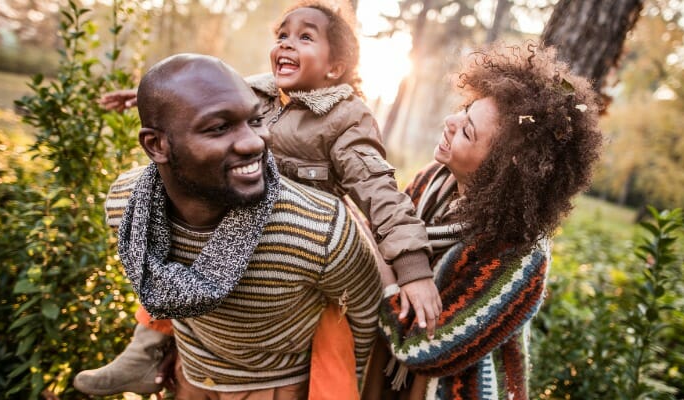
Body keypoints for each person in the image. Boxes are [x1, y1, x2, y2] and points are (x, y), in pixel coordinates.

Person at [76, 1, 440, 397]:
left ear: (334, 69)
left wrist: (413, 267)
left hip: (298, 235)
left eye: (304, 38)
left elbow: (378, 189)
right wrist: (149, 98)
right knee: (165, 245)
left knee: (339, 328)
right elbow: (195, 100)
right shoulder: (261, 90)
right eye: (282, 35)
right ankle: (142, 352)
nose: (286, 44)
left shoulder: (345, 117)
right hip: (232, 210)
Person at [360, 42, 604, 400]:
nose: (450, 122)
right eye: (465, 111)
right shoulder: (434, 180)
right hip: (390, 384)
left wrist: (385, 271)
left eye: (468, 131)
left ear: (502, 169)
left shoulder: (519, 257)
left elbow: (425, 349)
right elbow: (386, 227)